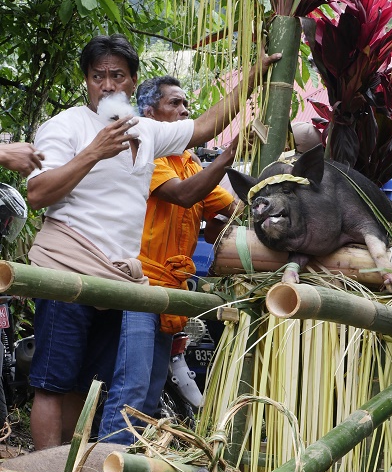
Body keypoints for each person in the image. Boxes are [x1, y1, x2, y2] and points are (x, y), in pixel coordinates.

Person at [26, 33, 279, 450]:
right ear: (86, 80)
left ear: (132, 81)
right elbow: (38, 193)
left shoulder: (146, 131)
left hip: (119, 279)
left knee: (84, 385)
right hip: (65, 268)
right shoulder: (66, 125)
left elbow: (204, 127)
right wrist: (93, 152)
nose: (107, 85)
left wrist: (255, 74)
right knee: (53, 383)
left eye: (117, 76)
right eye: (98, 76)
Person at [98, 76, 240, 444]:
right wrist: (226, 159)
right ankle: (105, 465)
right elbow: (184, 195)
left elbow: (230, 211)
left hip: (171, 291)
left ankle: (134, 465)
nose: (185, 111)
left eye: (186, 104)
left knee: (150, 390)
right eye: (174, 103)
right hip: (140, 285)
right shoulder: (147, 151)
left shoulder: (189, 162)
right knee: (132, 386)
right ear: (149, 114)